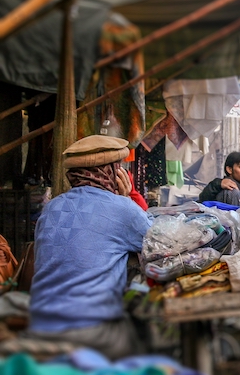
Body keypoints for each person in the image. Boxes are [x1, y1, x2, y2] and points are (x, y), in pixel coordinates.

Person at [29, 135, 151, 359]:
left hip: (41, 324)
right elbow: (156, 243)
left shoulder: (51, 208)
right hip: (92, 330)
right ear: (111, 172)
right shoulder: (122, 207)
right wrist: (125, 198)